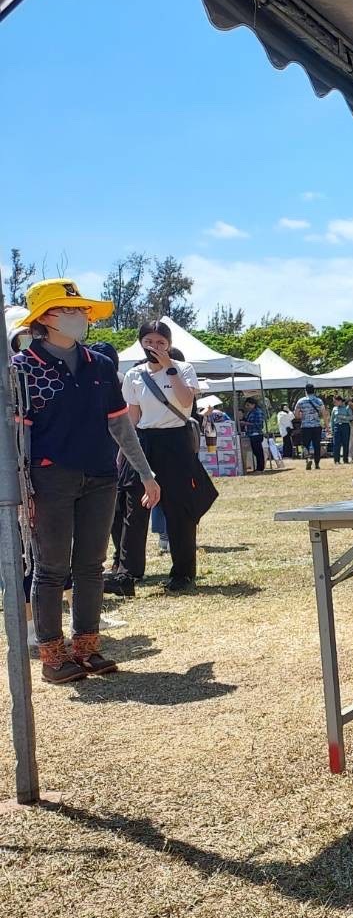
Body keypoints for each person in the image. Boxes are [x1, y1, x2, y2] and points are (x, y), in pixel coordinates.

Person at [12, 279, 158, 682]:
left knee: (92, 565)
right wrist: (20, 491)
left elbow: (120, 425)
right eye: (69, 310)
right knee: (50, 567)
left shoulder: (101, 365)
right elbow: (17, 435)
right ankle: (52, 656)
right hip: (48, 477)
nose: (80, 317)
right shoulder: (22, 368)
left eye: (81, 310)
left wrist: (145, 472)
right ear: (44, 318)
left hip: (100, 475)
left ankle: (87, 648)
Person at [115, 319, 207, 593]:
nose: (154, 347)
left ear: (169, 344)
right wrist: (124, 452)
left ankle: (183, 573)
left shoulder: (183, 369)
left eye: (160, 342)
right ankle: (128, 574)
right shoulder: (134, 375)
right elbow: (132, 418)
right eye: (149, 342)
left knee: (179, 508)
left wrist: (169, 366)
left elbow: (186, 401)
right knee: (134, 507)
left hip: (176, 441)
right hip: (144, 441)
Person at [294, 383, 326, 469]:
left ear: (306, 391)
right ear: (314, 391)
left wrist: (302, 416)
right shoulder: (319, 401)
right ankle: (317, 464)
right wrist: (326, 425)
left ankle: (308, 459)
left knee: (305, 444)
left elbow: (296, 415)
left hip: (305, 426)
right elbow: (324, 413)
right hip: (316, 426)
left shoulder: (301, 401)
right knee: (316, 445)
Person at [240, 396, 267, 473]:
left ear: (253, 404)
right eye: (246, 405)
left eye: (248, 405)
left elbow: (259, 425)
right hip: (251, 434)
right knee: (255, 451)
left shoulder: (258, 412)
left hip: (256, 434)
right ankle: (259, 467)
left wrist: (246, 423)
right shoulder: (250, 412)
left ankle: (260, 468)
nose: (246, 407)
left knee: (258, 452)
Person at [329, 394, 353, 464]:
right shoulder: (334, 408)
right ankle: (336, 460)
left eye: (335, 401)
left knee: (345, 443)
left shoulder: (347, 408)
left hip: (345, 426)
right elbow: (332, 420)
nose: (334, 403)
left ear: (340, 401)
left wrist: (343, 417)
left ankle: (345, 459)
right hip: (337, 426)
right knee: (336, 443)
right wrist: (332, 429)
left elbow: (351, 417)